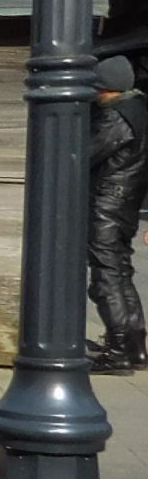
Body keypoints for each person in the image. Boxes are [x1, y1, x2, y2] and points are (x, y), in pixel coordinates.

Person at [89, 53, 148, 372]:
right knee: (121, 271)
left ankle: (118, 350)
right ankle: (135, 346)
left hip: (107, 205)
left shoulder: (116, 117)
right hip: (126, 204)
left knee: (106, 275)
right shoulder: (140, 111)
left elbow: (84, 154)